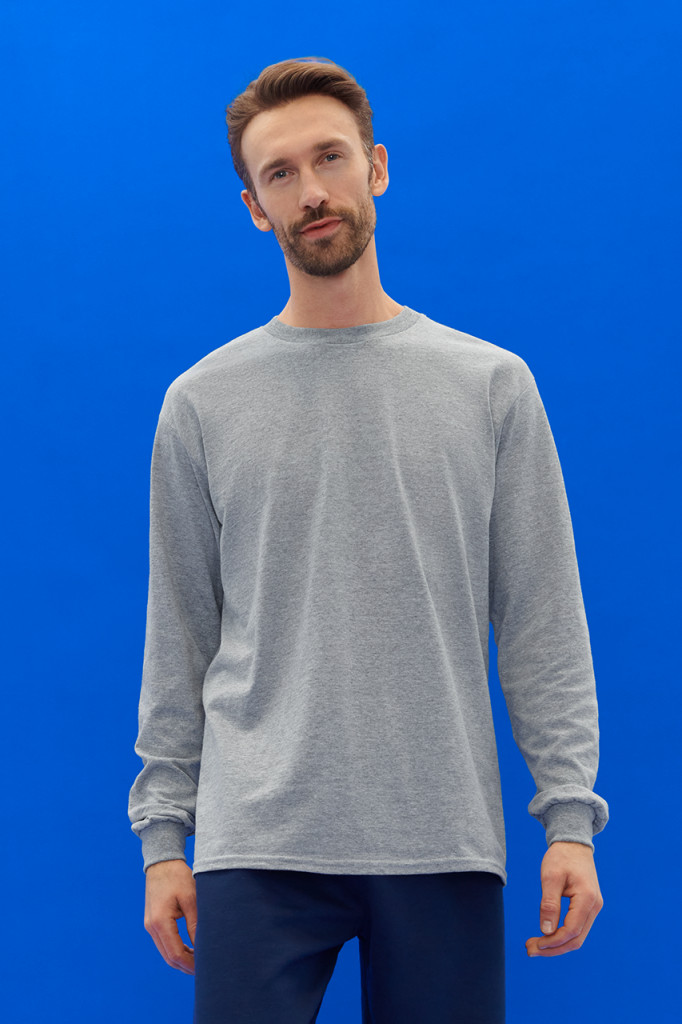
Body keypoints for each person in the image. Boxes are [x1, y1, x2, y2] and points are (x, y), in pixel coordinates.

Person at [128, 56, 608, 1023]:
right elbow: (180, 633)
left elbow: (542, 615)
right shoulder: (201, 403)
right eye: (279, 173)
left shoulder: (491, 387)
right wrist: (163, 837)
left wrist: (570, 818)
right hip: (258, 838)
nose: (311, 191)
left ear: (376, 167)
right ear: (255, 207)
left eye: (330, 158)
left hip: (440, 831)